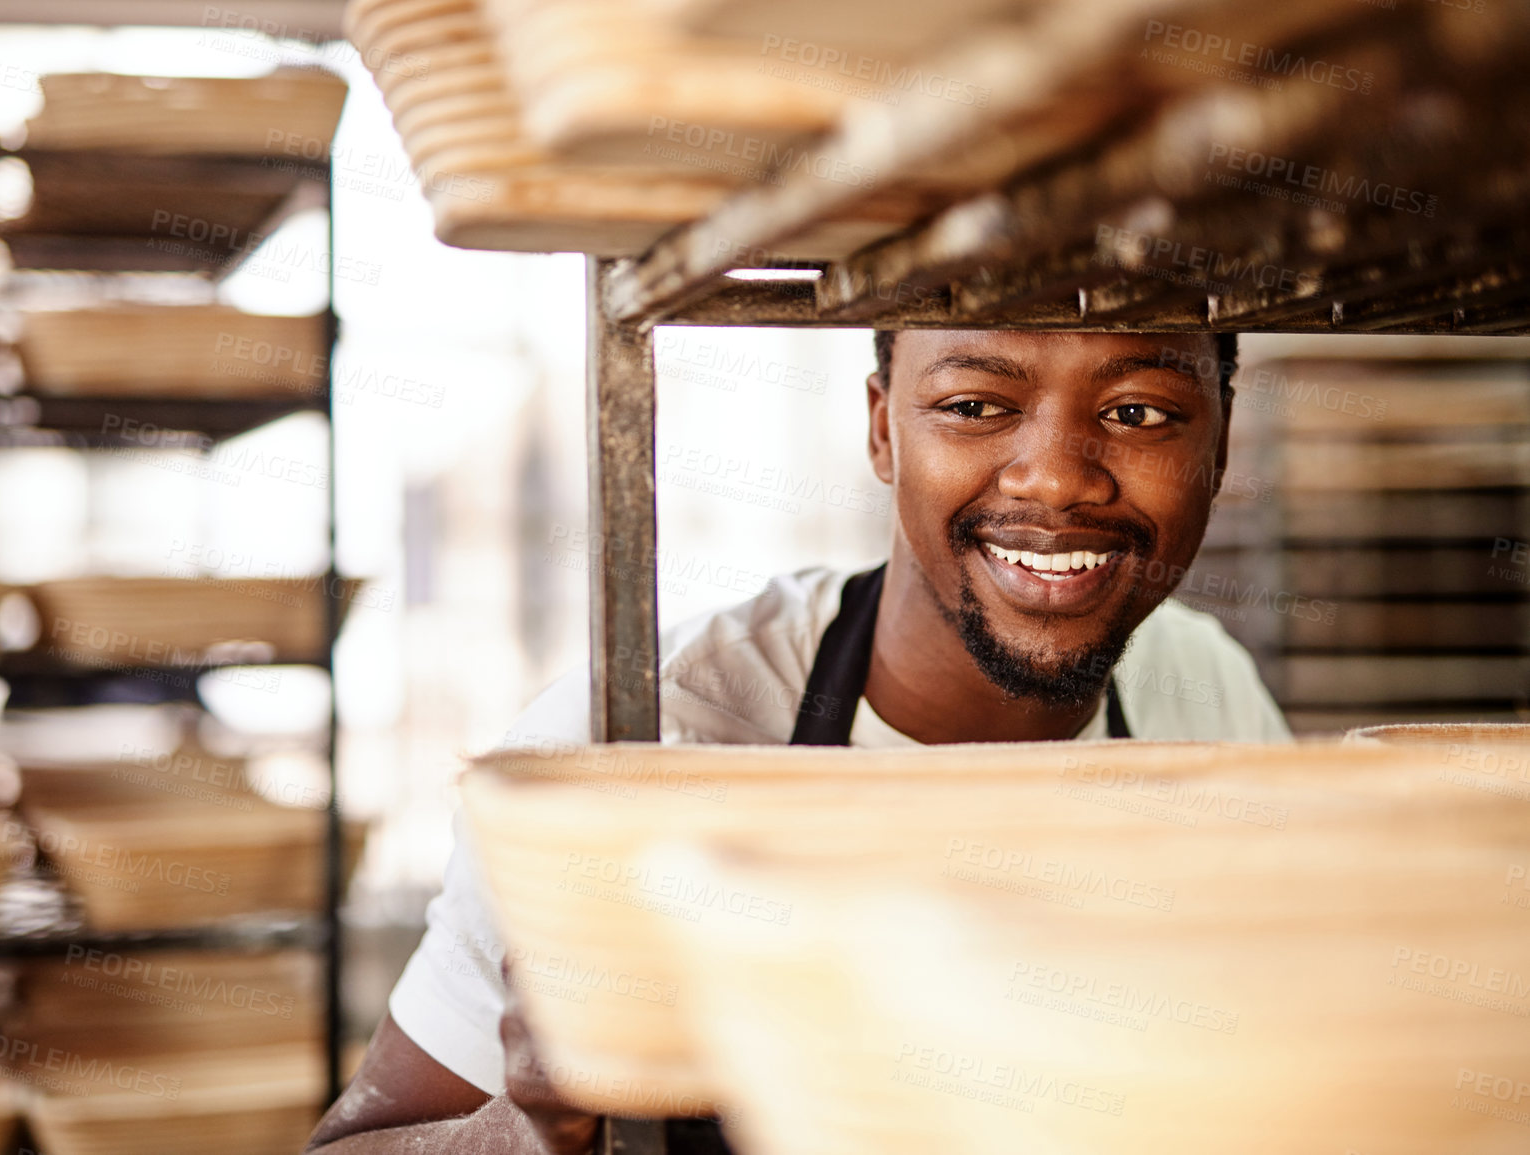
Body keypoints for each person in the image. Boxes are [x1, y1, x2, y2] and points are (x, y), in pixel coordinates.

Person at [306, 328, 1290, 1154]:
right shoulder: (640, 742)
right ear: (880, 430)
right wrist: (531, 1127)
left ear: (1222, 441)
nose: (1058, 480)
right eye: (974, 406)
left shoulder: (1207, 694)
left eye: (1140, 413)